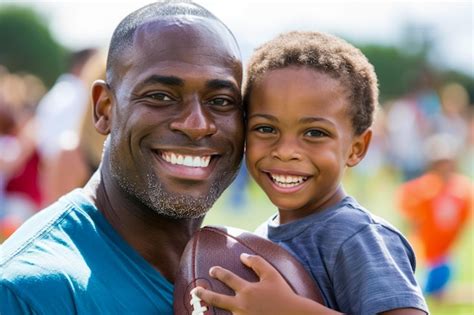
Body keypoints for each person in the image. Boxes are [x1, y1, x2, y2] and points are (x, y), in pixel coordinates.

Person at [0, 1, 244, 314]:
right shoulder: (29, 291)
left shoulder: (248, 280)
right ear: (104, 109)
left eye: (221, 101)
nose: (197, 124)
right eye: (161, 96)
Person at [193, 31, 429, 314]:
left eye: (314, 133)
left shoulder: (356, 236)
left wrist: (289, 309)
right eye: (266, 129)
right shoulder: (259, 238)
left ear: (357, 148)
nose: (285, 150)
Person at [397, 133, 472, 299]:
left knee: (435, 289)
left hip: (444, 255)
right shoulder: (423, 188)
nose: (444, 167)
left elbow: (464, 218)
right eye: (439, 163)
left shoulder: (462, 188)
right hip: (424, 253)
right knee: (418, 290)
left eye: (447, 162)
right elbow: (408, 213)